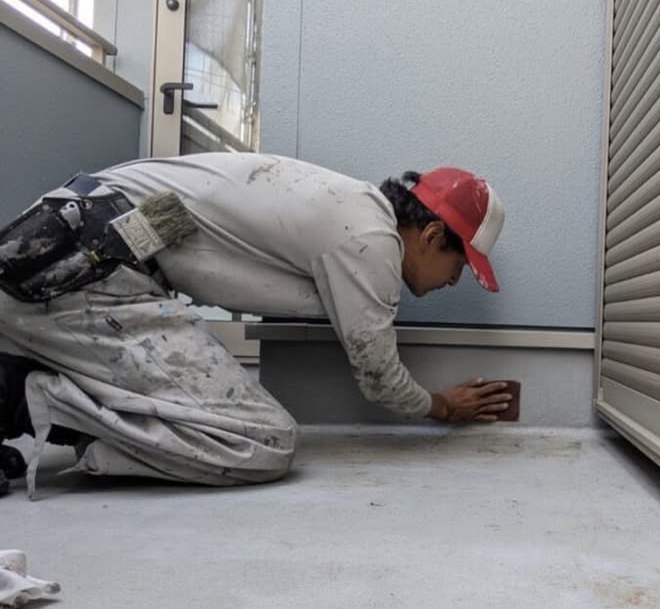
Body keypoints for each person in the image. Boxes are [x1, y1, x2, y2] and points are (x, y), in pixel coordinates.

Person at [0, 153, 512, 497]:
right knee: (265, 442)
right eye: (459, 266)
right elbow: (378, 375)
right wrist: (443, 406)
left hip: (76, 248)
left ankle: (26, 381)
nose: (453, 281)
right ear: (431, 235)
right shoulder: (370, 240)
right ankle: (23, 394)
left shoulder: (353, 211)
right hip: (82, 265)